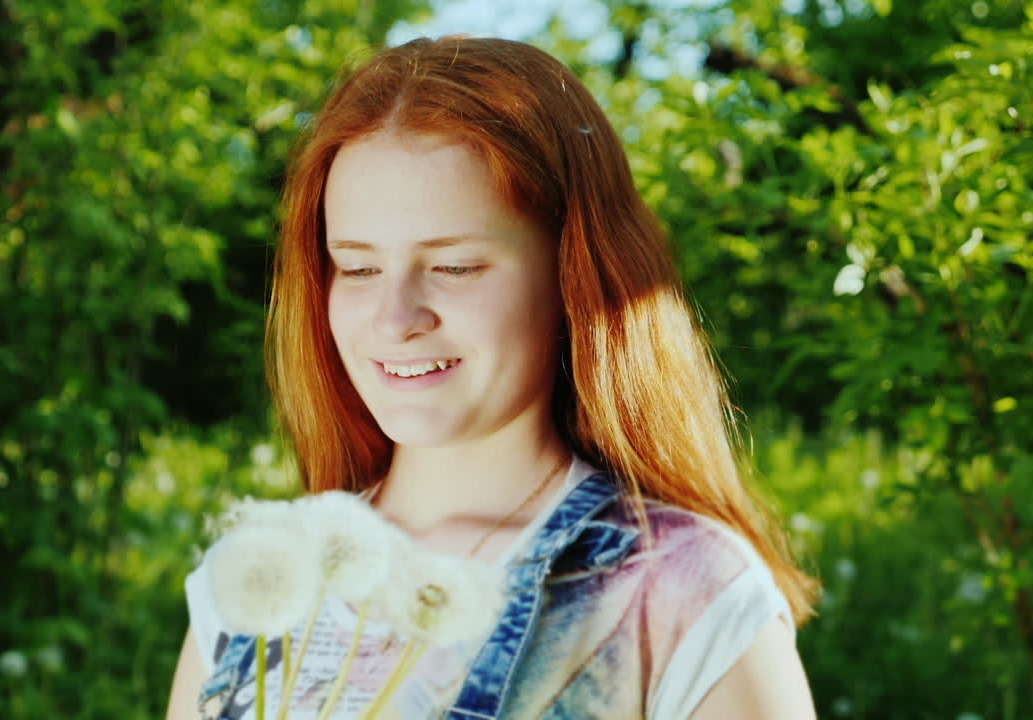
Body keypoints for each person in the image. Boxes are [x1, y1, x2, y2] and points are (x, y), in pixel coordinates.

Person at [167, 35, 818, 720]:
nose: (395, 319)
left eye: (455, 266)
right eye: (357, 268)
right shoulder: (247, 586)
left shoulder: (685, 593)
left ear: (574, 275)